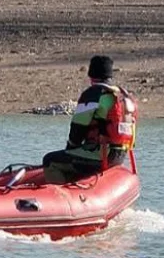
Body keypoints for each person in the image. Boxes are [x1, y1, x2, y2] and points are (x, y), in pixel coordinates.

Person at [42, 55, 138, 184]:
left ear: (91, 75)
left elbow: (77, 129)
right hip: (120, 155)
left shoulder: (93, 94)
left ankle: (61, 194)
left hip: (102, 155)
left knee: (50, 160)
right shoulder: (122, 95)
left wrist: (70, 149)